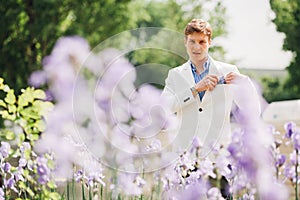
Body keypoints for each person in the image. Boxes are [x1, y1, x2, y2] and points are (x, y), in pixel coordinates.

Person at [162, 18, 261, 157]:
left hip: (218, 156)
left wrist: (247, 85)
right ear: (185, 42)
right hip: (184, 157)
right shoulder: (175, 74)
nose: (197, 47)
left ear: (209, 42)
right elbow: (164, 108)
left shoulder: (228, 70)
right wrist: (194, 89)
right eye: (192, 41)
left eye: (202, 42)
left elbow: (253, 112)